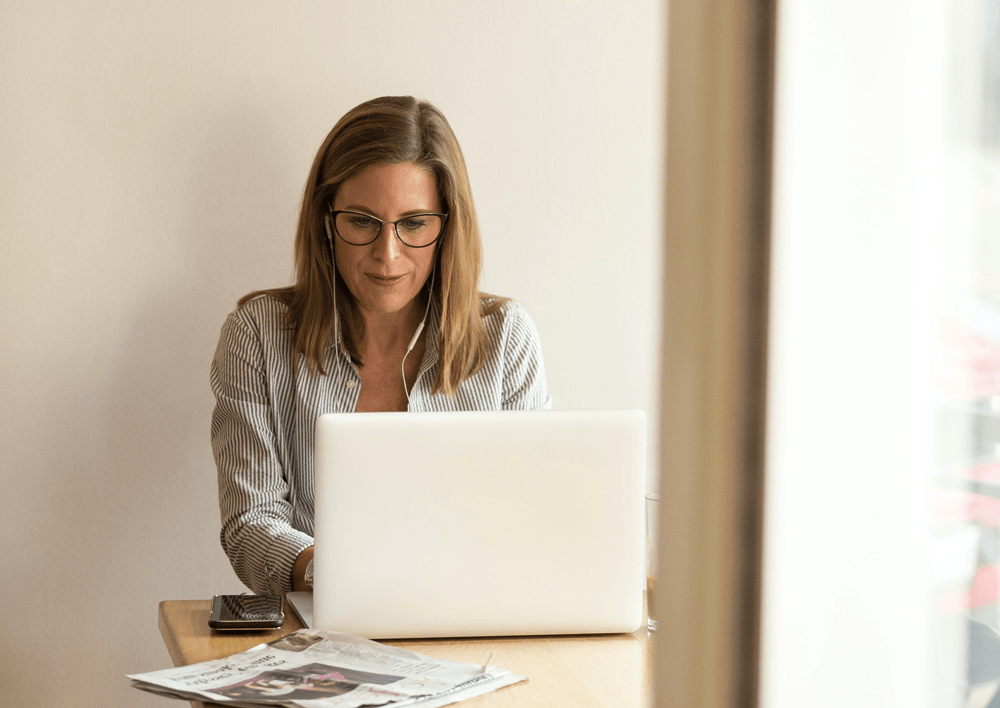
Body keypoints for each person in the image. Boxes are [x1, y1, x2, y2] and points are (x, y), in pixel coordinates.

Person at [210, 96, 551, 596]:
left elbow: (533, 520)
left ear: (447, 227)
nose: (387, 256)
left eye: (414, 224)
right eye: (362, 222)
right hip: (320, 629)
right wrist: (341, 576)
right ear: (327, 220)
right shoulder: (257, 336)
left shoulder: (506, 339)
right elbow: (250, 524)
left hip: (474, 622)